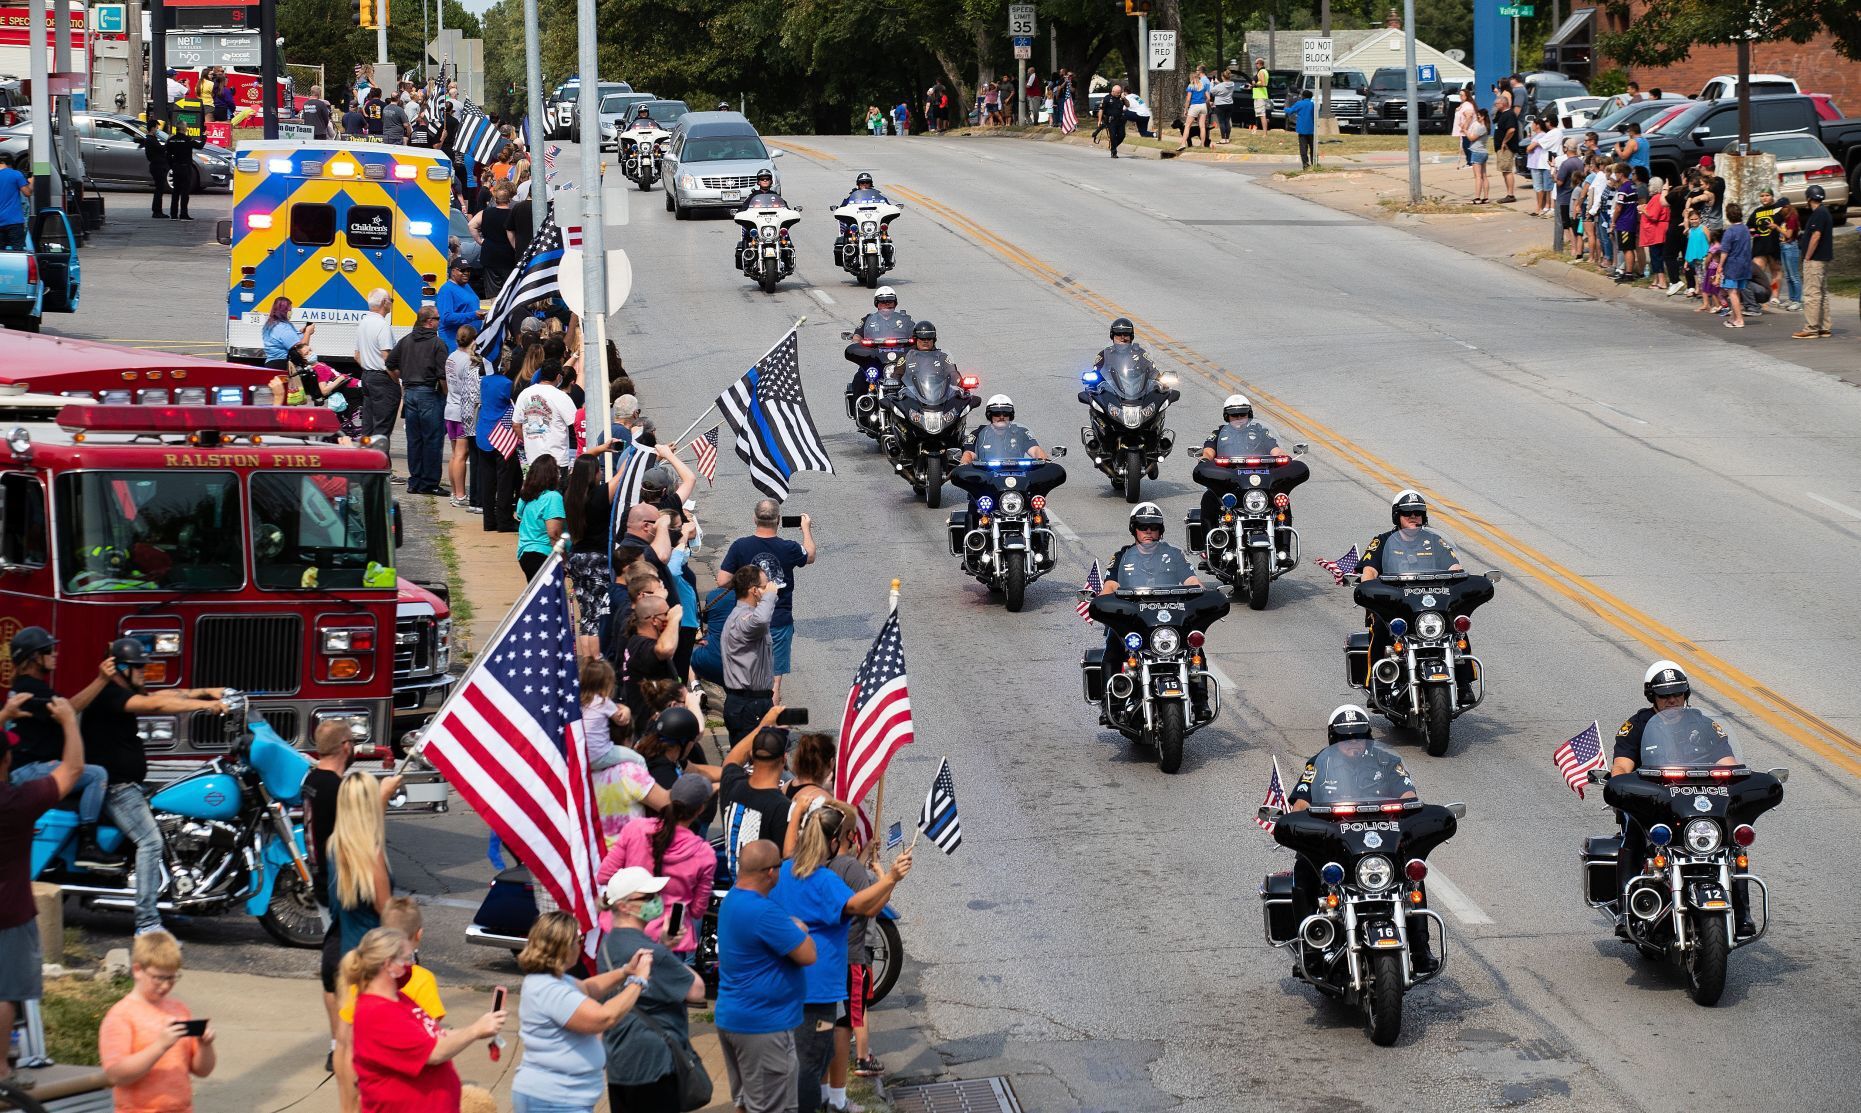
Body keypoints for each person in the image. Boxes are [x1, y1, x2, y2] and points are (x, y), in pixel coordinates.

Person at [773, 803, 912, 1113]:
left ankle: (824, 1100)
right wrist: (890, 879)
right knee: (810, 1063)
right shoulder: (823, 880)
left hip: (786, 983)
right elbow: (860, 906)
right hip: (818, 989)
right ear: (834, 841)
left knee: (807, 1058)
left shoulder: (783, 870)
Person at [83, 638, 227, 935]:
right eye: (139, 668)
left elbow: (168, 693)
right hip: (116, 789)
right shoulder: (110, 695)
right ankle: (147, 922)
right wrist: (207, 705)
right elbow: (157, 703)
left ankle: (167, 904)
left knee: (171, 827)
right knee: (150, 842)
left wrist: (207, 690)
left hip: (131, 785)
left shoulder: (124, 691)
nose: (144, 673)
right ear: (121, 669)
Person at [1605, 661, 1753, 937]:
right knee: (1633, 833)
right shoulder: (1636, 725)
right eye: (1664, 694)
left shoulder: (1704, 724)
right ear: (1652, 697)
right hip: (1655, 803)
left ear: (1686, 694)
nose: (1672, 699)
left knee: (1735, 840)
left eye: (1678, 693)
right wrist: (1620, 785)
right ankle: (1626, 914)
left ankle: (1743, 913)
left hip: (1698, 800)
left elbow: (1729, 763)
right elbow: (1622, 767)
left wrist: (1739, 782)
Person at [1284, 706, 1434, 970]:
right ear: (1335, 740)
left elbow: (1409, 797)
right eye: (1345, 737)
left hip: (1379, 838)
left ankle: (1421, 949)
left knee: (1411, 874)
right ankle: (1309, 949)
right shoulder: (1319, 764)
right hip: (1334, 840)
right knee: (1302, 871)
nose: (1353, 742)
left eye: (1359, 736)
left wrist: (1411, 812)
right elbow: (1300, 803)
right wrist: (1302, 818)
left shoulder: (1388, 762)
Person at [0, 691, 83, 1083]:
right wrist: (68, 720)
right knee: (5, 992)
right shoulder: (19, 801)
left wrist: (3, 714)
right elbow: (72, 770)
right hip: (12, 912)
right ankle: (0, 1069)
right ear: (7, 760)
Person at [345, 927, 506, 1113]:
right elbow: (434, 1053)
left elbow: (433, 1035)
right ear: (388, 964)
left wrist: (479, 1029)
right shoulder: (377, 1013)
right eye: (407, 959)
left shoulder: (398, 998)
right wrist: (475, 1031)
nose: (412, 965)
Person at [509, 908, 654, 1113]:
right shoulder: (550, 990)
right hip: (553, 1101)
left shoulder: (552, 979)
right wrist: (638, 981)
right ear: (564, 947)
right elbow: (605, 1018)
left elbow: (588, 988)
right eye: (578, 939)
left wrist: (625, 971)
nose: (581, 944)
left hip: (560, 1098)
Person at [715, 839, 816, 1113]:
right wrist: (800, 929)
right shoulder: (763, 912)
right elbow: (807, 954)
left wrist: (788, 927)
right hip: (763, 1027)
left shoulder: (733, 900)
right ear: (771, 872)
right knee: (774, 1108)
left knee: (746, 1104)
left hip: (733, 1019)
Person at [6, 628, 119, 869]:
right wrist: (101, 679)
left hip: (28, 766)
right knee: (97, 774)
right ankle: (87, 845)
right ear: (34, 657)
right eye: (49, 650)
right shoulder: (30, 688)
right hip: (30, 768)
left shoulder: (27, 687)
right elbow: (69, 708)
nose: (55, 654)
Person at [598, 867, 708, 1112]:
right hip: (654, 1064)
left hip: (619, 1061)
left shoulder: (608, 944)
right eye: (648, 898)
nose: (656, 902)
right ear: (625, 906)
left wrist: (664, 947)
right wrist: (665, 952)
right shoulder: (651, 953)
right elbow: (696, 990)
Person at [599, 775, 715, 964]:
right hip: (670, 942)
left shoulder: (635, 828)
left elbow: (605, 875)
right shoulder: (704, 853)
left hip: (621, 931)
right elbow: (697, 910)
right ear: (700, 810)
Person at [98, 930, 217, 1110]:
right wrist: (160, 1046)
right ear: (138, 970)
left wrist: (205, 1045)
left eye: (172, 978)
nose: (166, 985)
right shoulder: (121, 1015)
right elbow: (117, 1075)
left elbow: (202, 1070)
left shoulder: (179, 1010)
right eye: (159, 978)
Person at [719, 501, 815, 702]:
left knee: (747, 673)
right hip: (779, 620)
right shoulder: (789, 548)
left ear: (754, 519)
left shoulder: (740, 546)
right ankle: (769, 727)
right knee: (773, 681)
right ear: (778, 520)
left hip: (748, 618)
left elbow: (722, 580)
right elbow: (810, 555)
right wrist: (806, 530)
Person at [1193, 394, 1303, 528]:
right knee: (1208, 498)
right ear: (1227, 416)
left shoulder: (1260, 432)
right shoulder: (1219, 433)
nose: (1239, 418)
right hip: (1230, 481)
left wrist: (1285, 458)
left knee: (1282, 501)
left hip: (1260, 479)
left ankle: (1283, 548)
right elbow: (1209, 451)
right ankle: (1211, 544)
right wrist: (1204, 460)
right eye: (1234, 415)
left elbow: (1275, 450)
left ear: (1249, 414)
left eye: (1242, 414)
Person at [388, 305, 450, 495]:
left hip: (411, 393)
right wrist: (447, 395)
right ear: (429, 322)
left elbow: (390, 364)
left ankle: (415, 482)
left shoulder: (406, 341)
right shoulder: (438, 344)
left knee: (414, 440)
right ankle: (430, 483)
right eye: (438, 318)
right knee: (432, 440)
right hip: (430, 394)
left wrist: (402, 381)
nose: (440, 321)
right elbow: (442, 376)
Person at [355, 290, 401, 473]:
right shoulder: (382, 326)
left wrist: (368, 366)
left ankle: (364, 464)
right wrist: (397, 380)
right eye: (391, 300)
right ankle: (381, 469)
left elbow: (356, 355)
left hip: (367, 376)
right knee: (382, 428)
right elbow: (387, 358)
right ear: (384, 302)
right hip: (382, 379)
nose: (391, 303)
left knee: (368, 425)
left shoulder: (363, 323)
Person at [443, 324, 484, 511]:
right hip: (462, 410)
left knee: (455, 454)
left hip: (450, 408)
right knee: (461, 454)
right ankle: (460, 495)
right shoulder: (469, 360)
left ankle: (454, 492)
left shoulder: (451, 357)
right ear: (473, 339)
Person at [514, 362, 577, 467]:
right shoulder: (561, 396)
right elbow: (575, 422)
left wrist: (530, 442)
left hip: (532, 459)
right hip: (557, 460)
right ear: (558, 377)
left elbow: (516, 425)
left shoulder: (524, 393)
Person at [516, 454, 566, 580]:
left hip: (525, 554)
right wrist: (565, 561)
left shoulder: (525, 497)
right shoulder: (553, 497)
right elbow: (554, 534)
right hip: (544, 555)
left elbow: (519, 516)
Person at [1794, 183, 1833, 340]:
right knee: (1822, 294)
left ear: (1808, 198)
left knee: (1812, 294)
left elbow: (1816, 236)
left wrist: (1808, 256)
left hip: (1815, 260)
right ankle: (1824, 327)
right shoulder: (1825, 212)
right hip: (1823, 259)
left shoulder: (1818, 214)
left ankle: (1811, 328)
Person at [470, 180, 519, 296]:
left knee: (493, 293)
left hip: (490, 255)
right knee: (509, 292)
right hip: (509, 257)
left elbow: (471, 225)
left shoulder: (485, 213)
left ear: (496, 199)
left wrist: (480, 241)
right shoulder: (513, 214)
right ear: (509, 199)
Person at [436, 259, 482, 354]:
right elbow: (446, 317)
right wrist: (474, 315)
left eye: (468, 270)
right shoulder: (446, 290)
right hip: (454, 343)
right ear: (453, 271)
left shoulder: (466, 286)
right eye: (462, 270)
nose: (466, 273)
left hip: (469, 342)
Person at [261, 297, 315, 372]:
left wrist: (302, 332)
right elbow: (302, 349)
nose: (291, 312)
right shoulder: (282, 327)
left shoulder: (272, 324)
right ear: (284, 311)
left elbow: (290, 339)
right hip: (281, 365)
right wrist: (308, 332)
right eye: (289, 310)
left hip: (273, 363)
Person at [136, 115, 172, 221]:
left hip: (158, 166)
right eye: (156, 128)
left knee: (159, 189)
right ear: (152, 128)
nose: (157, 129)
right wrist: (168, 141)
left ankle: (157, 210)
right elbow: (161, 149)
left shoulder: (152, 139)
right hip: (157, 167)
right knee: (159, 189)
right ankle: (157, 211)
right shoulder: (150, 139)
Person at [164, 123, 200, 219]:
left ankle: (173, 214)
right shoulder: (188, 139)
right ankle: (183, 214)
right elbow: (200, 146)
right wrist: (204, 136)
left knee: (175, 192)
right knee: (185, 192)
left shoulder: (171, 140)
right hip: (185, 167)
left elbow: (167, 153)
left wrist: (172, 165)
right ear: (184, 129)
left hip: (175, 167)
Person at [1180, 65, 1211, 151]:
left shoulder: (1191, 85)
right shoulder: (1202, 85)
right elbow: (1208, 98)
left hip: (1194, 106)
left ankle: (1183, 143)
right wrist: (1205, 102)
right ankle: (1202, 145)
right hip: (1203, 106)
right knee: (1202, 126)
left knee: (1187, 125)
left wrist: (1186, 109)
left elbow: (1188, 99)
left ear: (1191, 78)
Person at [1465, 108, 1491, 203]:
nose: (1477, 117)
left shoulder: (1481, 127)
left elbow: (1471, 138)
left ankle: (1477, 198)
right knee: (1484, 176)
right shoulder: (1486, 126)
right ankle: (1486, 197)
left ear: (1483, 116)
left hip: (1477, 152)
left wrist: (1465, 131)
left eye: (1478, 116)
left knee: (1478, 176)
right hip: (1483, 152)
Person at [1288, 89, 1317, 169]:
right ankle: (1314, 162)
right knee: (1312, 147)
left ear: (1303, 96)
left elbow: (1291, 111)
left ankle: (1305, 164)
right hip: (1311, 129)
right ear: (1311, 97)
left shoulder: (1299, 103)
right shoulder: (1312, 104)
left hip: (1302, 129)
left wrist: (1285, 109)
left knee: (1303, 147)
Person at [1097, 84, 1127, 158]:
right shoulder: (1107, 98)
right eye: (1117, 93)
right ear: (1113, 91)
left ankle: (1113, 146)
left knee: (1122, 135)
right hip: (1111, 120)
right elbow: (1101, 110)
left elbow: (1128, 105)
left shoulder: (1121, 98)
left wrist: (1125, 99)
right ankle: (1114, 152)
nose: (1119, 94)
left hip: (1120, 120)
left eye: (1120, 92)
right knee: (1113, 136)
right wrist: (1099, 120)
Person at [1451, 88, 1475, 167]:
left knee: (1467, 145)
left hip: (1467, 130)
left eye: (1462, 95)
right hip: (1464, 130)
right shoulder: (1463, 104)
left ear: (1466, 96)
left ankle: (1471, 162)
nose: (1460, 96)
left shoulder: (1467, 105)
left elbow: (1469, 116)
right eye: (1459, 95)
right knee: (1465, 145)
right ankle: (1469, 161)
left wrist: (1465, 128)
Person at [1211, 69, 1236, 143]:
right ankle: (1227, 138)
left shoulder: (1219, 86)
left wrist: (1212, 83)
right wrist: (1218, 83)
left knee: (1221, 122)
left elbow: (1212, 91)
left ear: (1222, 77)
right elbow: (1224, 85)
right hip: (1229, 104)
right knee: (1227, 121)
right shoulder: (1232, 84)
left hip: (1220, 105)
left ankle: (1223, 139)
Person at [1250, 59, 1269, 131]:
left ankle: (1265, 133)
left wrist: (1255, 84)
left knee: (1262, 115)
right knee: (1261, 114)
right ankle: (1263, 131)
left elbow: (1264, 84)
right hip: (1261, 95)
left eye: (1256, 63)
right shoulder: (1265, 71)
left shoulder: (1261, 72)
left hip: (1260, 95)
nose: (1255, 65)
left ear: (1260, 64)